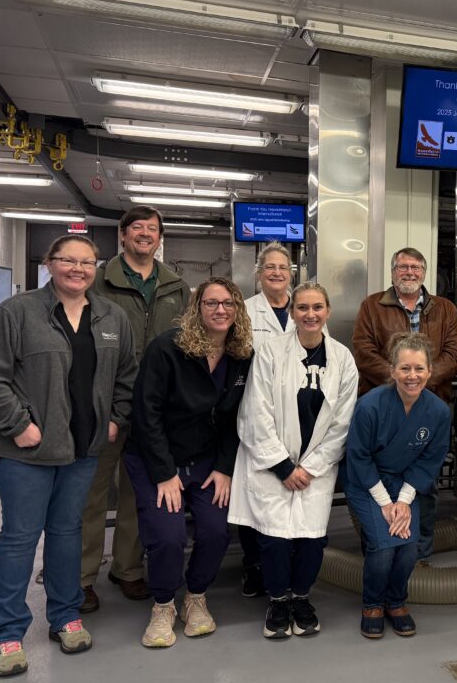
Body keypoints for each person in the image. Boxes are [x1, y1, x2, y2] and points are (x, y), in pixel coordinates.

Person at [0, 235, 138, 678]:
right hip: (26, 452)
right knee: (20, 538)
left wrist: (116, 418)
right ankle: (7, 633)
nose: (78, 269)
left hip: (84, 449)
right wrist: (17, 424)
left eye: (87, 262)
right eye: (68, 260)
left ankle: (65, 615)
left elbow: (127, 374)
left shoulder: (111, 317)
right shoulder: (17, 313)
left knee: (67, 533)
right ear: (49, 263)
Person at [125, 277, 253, 648]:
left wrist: (224, 467)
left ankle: (196, 597)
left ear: (237, 310)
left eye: (228, 303)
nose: (220, 310)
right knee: (168, 536)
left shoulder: (241, 355)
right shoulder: (168, 348)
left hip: (207, 460)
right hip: (157, 457)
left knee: (215, 531)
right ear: (197, 308)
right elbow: (146, 413)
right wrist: (164, 474)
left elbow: (236, 417)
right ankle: (163, 604)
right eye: (211, 303)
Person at [229, 282, 358, 639]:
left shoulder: (343, 359)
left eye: (317, 307)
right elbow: (255, 411)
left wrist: (310, 467)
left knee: (311, 539)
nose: (310, 314)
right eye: (302, 308)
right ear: (292, 313)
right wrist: (283, 466)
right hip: (273, 464)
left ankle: (301, 598)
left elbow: (342, 422)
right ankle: (277, 601)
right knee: (274, 539)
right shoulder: (270, 352)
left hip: (316, 467)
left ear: (328, 312)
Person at [81, 205, 190, 612]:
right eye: (138, 228)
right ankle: (82, 577)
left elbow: (186, 342)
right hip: (105, 403)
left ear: (160, 239)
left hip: (156, 409)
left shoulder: (176, 286)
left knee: (138, 493)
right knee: (91, 495)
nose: (145, 234)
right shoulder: (99, 281)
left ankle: (127, 569)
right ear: (123, 235)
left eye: (153, 229)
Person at [352, 248, 457, 565]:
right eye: (403, 266)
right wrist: (400, 383)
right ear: (393, 272)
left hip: (429, 409)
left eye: (415, 267)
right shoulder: (372, 306)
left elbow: (455, 354)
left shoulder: (445, 309)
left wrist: (418, 382)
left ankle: (419, 555)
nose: (409, 272)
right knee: (378, 482)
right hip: (385, 409)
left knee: (424, 486)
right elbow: (363, 352)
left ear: (424, 273)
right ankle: (379, 549)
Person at [343, 333, 451, 640]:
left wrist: (403, 501)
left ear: (430, 371)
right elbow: (359, 457)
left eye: (419, 368)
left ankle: (396, 601)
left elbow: (430, 460)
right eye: (404, 368)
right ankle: (372, 604)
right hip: (366, 483)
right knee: (383, 547)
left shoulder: (438, 412)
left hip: (406, 484)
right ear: (392, 371)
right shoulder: (369, 406)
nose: (411, 376)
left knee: (408, 547)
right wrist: (385, 503)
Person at [239, 241, 297, 596]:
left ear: (291, 273)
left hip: (296, 417)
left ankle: (286, 564)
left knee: (288, 493)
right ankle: (254, 565)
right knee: (256, 494)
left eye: (282, 267)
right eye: (269, 267)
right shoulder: (245, 312)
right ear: (259, 273)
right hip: (255, 414)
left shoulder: (303, 308)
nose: (276, 272)